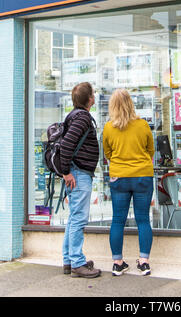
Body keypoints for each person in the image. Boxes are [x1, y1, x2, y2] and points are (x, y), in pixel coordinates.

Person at [102, 89, 155, 276]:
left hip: (119, 177)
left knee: (118, 220)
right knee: (143, 219)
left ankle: (117, 262)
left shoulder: (108, 127)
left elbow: (107, 153)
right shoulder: (142, 125)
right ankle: (144, 262)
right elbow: (151, 150)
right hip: (142, 176)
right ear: (131, 104)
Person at [61, 82, 101, 278]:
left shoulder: (74, 115)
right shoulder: (82, 118)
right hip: (78, 175)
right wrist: (66, 171)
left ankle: (69, 260)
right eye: (93, 94)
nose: (94, 96)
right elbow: (67, 144)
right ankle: (77, 262)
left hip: (76, 173)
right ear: (90, 99)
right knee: (78, 219)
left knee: (73, 218)